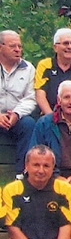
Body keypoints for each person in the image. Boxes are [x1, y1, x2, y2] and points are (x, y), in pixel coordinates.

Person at [0, 30, 36, 173]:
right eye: (13, 46)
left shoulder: (28, 69)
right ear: (1, 47)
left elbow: (31, 97)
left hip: (17, 117)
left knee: (29, 124)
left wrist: (16, 113)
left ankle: (22, 173)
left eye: (20, 46)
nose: (18, 50)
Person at [34, 28, 71, 115]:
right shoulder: (45, 65)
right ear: (55, 47)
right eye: (65, 43)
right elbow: (40, 94)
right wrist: (51, 118)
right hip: (49, 115)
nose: (70, 47)